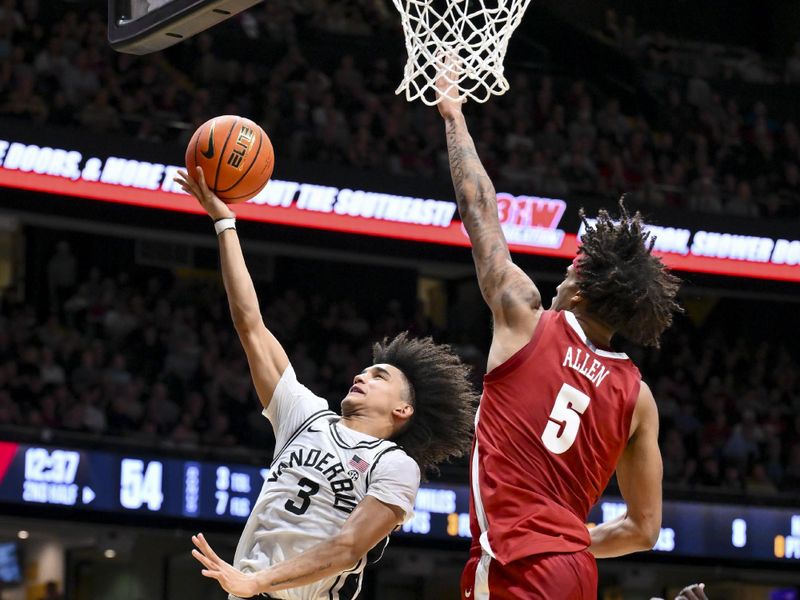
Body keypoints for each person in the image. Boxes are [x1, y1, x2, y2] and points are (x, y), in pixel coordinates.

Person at [174, 167, 477, 600]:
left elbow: (348, 546)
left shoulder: (395, 465)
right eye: (367, 369)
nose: (362, 374)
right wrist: (225, 224)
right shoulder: (304, 415)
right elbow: (250, 325)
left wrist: (258, 580)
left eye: (380, 376)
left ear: (403, 410)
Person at [436, 81, 682, 599]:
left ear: (583, 292)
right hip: (574, 571)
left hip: (514, 565)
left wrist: (453, 117)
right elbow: (643, 529)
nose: (561, 277)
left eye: (571, 270)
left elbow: (479, 208)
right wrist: (564, 543)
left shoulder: (524, 316)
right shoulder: (638, 397)